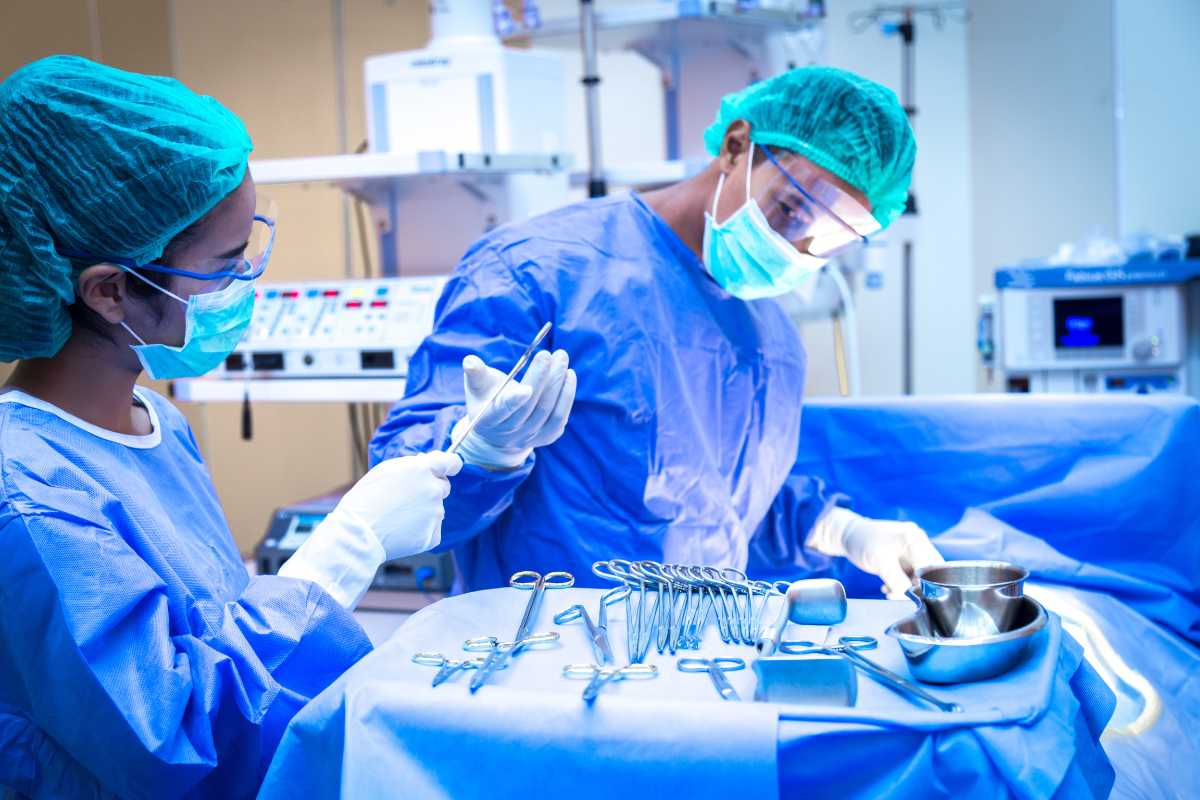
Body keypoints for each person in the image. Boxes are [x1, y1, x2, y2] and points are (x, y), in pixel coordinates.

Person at [0, 56, 572, 798]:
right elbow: (179, 738)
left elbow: (215, 631)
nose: (248, 282)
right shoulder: (25, 495)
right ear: (112, 291)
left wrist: (481, 455)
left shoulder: (154, 425)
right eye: (226, 264)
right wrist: (344, 547)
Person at [371, 66, 943, 597]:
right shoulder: (539, 271)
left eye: (829, 240)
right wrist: (481, 451)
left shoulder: (772, 338)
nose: (797, 248)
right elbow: (403, 494)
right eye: (791, 209)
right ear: (736, 146)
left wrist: (842, 531)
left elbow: (723, 508)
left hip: (700, 654)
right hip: (543, 654)